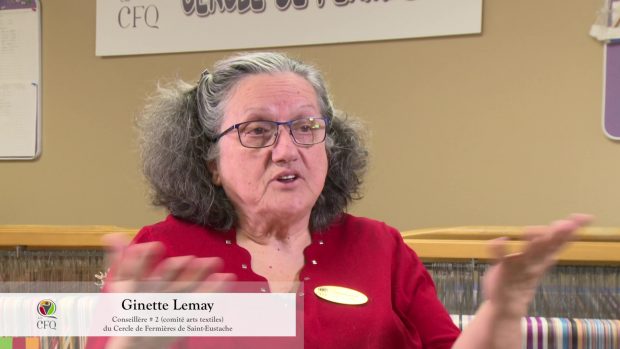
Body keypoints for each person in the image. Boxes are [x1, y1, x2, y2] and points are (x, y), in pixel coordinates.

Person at [86, 52, 591, 349]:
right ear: (210, 162)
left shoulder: (381, 247)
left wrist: (504, 308)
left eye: (306, 128)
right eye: (258, 131)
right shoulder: (162, 253)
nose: (288, 150)